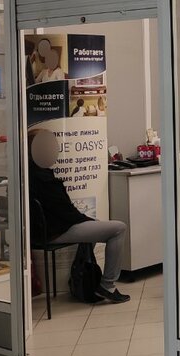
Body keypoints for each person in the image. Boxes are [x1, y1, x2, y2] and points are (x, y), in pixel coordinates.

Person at [27, 129, 130, 303]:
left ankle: (84, 281)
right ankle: (107, 285)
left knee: (95, 227)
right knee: (119, 228)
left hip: (42, 231)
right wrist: (88, 220)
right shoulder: (44, 179)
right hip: (55, 232)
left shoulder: (27, 174)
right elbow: (66, 212)